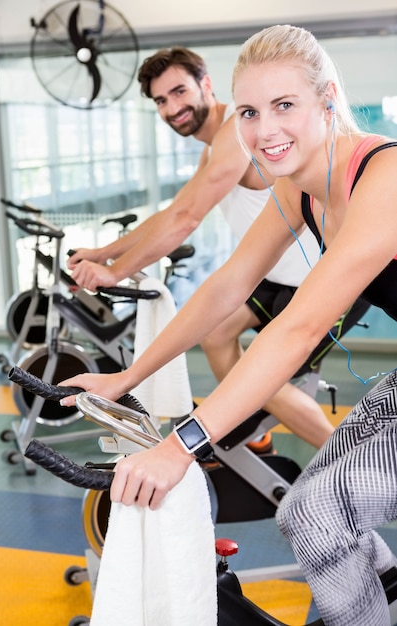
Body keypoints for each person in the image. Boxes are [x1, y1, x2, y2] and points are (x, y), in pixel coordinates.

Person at [60, 25, 397, 625]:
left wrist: (182, 445)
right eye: (250, 111)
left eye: (284, 106)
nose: (265, 130)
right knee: (301, 509)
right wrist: (125, 378)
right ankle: (380, 585)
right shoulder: (299, 190)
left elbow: (296, 329)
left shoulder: (383, 177)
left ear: (328, 97)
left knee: (320, 509)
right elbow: (226, 287)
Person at [67, 46, 368, 450]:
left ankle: (344, 459)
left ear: (205, 84)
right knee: (217, 336)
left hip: (323, 279)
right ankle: (256, 435)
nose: (172, 107)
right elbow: (179, 216)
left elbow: (186, 218)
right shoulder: (229, 156)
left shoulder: (235, 134)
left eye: (179, 91)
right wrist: (105, 255)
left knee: (266, 374)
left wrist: (114, 272)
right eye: (161, 100)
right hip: (277, 275)